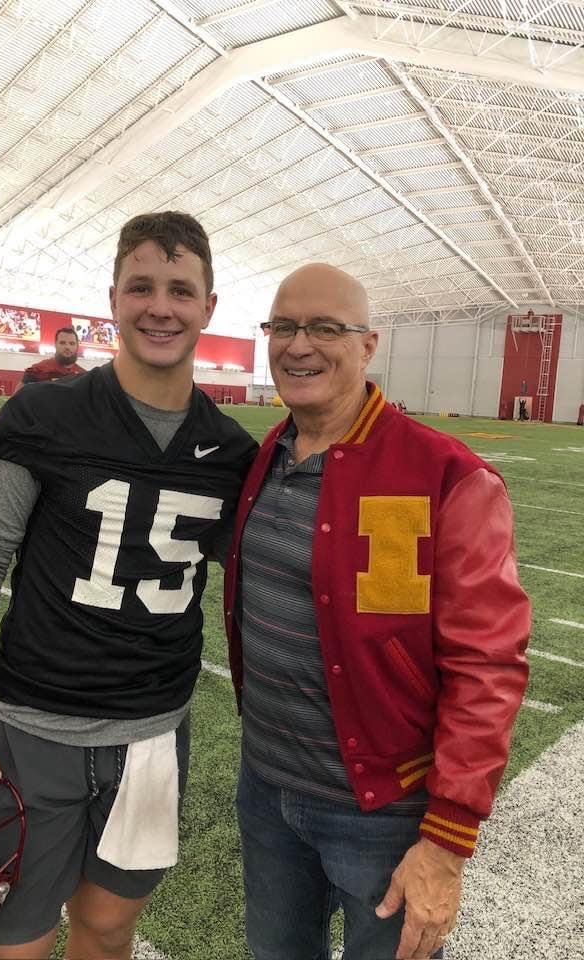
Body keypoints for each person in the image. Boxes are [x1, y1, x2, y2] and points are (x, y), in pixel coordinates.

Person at [0, 211, 258, 960]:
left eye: (179, 289)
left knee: (107, 926)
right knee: (16, 938)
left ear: (209, 307)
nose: (159, 306)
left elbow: (265, 578)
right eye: (141, 286)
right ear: (113, 299)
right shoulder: (45, 413)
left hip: (155, 732)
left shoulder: (232, 451)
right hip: (35, 727)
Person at [224, 264, 530, 960]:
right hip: (267, 789)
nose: (300, 345)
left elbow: (489, 665)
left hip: (384, 813)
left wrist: (447, 842)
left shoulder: (444, 475)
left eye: (326, 328)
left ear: (368, 345)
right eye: (284, 327)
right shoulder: (265, 455)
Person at [14, 325, 86, 391]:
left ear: (77, 346)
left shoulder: (83, 375)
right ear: (55, 345)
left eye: (72, 343)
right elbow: (16, 399)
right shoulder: (38, 370)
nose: (67, 347)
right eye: (62, 343)